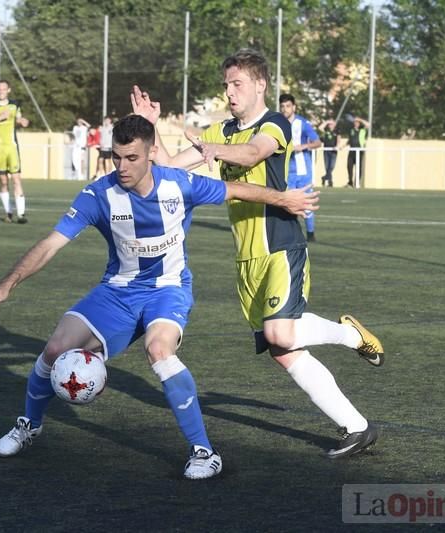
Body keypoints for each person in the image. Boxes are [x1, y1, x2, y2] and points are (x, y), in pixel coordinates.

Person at [0, 115, 317, 479]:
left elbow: (235, 190)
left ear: (152, 153)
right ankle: (29, 425)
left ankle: (204, 452)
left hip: (168, 290)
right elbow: (50, 244)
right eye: (116, 156)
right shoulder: (98, 195)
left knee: (159, 349)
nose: (121, 167)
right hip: (118, 291)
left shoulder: (179, 184)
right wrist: (7, 283)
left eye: (132, 158)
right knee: (55, 348)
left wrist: (283, 199)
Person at [131, 48, 384, 460]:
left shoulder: (275, 124)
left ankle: (351, 335)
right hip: (245, 258)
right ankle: (357, 428)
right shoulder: (220, 132)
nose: (229, 92)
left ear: (260, 84)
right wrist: (150, 125)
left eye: (237, 84)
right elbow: (171, 167)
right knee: (284, 353)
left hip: (280, 245)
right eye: (226, 85)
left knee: (278, 334)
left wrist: (213, 150)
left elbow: (252, 153)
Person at [0, 79, 30, 223]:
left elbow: (19, 119)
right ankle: (8, 212)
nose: (1, 91)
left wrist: (23, 122)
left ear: (8, 90)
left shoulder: (14, 105)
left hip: (12, 147)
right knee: (3, 181)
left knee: (16, 179)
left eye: (4, 89)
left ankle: (21, 214)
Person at [279, 93, 322, 242]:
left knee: (306, 202)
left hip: (303, 171)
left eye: (288, 106)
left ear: (294, 107)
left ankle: (310, 233)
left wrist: (302, 146)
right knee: (287, 203)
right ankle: (291, 233)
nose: (285, 109)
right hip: (286, 171)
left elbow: (317, 142)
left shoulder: (302, 123)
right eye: (282, 106)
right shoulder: (277, 124)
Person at [345, 115, 369, 188]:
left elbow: (368, 125)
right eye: (355, 122)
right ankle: (350, 183)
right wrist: (343, 146)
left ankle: (357, 183)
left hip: (359, 151)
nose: (356, 123)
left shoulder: (363, 129)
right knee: (349, 166)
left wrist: (360, 119)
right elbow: (349, 140)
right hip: (352, 151)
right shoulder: (351, 130)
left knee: (358, 168)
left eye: (357, 122)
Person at [320, 119, 339, 188]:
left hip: (333, 151)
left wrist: (337, 146)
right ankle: (330, 181)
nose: (330, 125)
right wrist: (327, 121)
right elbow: (320, 128)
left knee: (331, 167)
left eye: (332, 123)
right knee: (327, 166)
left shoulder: (337, 131)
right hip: (326, 151)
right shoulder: (326, 131)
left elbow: (338, 139)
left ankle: (324, 178)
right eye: (329, 124)